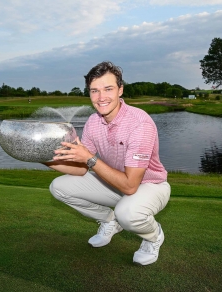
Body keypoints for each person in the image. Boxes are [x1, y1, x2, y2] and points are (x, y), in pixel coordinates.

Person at [44, 61, 171, 266]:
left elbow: (130, 185)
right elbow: (81, 167)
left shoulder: (140, 123)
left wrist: (89, 158)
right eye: (94, 91)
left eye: (108, 89)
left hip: (150, 186)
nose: (101, 97)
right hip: (112, 182)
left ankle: (153, 237)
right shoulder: (94, 122)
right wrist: (43, 158)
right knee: (58, 187)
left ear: (120, 90)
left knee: (128, 213)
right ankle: (109, 220)